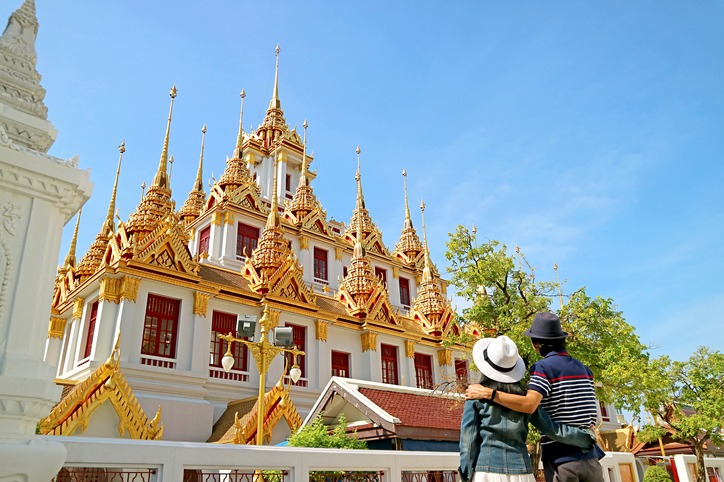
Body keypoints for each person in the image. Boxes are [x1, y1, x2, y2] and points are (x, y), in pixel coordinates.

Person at [465, 313, 605, 482]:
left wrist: (489, 393)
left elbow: (529, 405)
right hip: (591, 457)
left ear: (536, 344)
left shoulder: (543, 368)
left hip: (563, 458)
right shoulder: (585, 369)